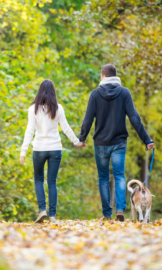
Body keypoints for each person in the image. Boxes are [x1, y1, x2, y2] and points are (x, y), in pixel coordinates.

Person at [79, 64, 154, 221]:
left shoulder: (95, 94)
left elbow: (88, 119)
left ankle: (107, 213)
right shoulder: (124, 93)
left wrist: (82, 138)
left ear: (103, 76)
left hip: (100, 143)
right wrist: (146, 139)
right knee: (119, 175)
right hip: (119, 142)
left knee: (103, 178)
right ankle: (120, 209)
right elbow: (134, 118)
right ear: (115, 76)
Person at [20, 79, 83, 223]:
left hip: (39, 149)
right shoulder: (58, 108)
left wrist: (23, 151)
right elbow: (66, 128)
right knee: (52, 182)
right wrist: (77, 142)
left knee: (38, 179)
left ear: (39, 91)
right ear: (53, 92)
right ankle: (52, 216)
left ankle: (42, 210)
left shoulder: (33, 109)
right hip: (55, 148)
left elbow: (29, 131)